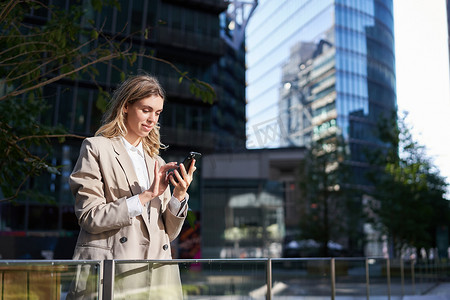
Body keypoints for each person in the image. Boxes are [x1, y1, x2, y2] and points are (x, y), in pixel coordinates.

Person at [67, 74, 196, 299]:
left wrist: (179, 195)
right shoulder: (96, 148)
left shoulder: (158, 162)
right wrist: (146, 196)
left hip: (157, 279)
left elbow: (169, 234)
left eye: (157, 113)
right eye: (145, 110)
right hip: (113, 274)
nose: (151, 119)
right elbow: (89, 217)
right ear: (126, 106)